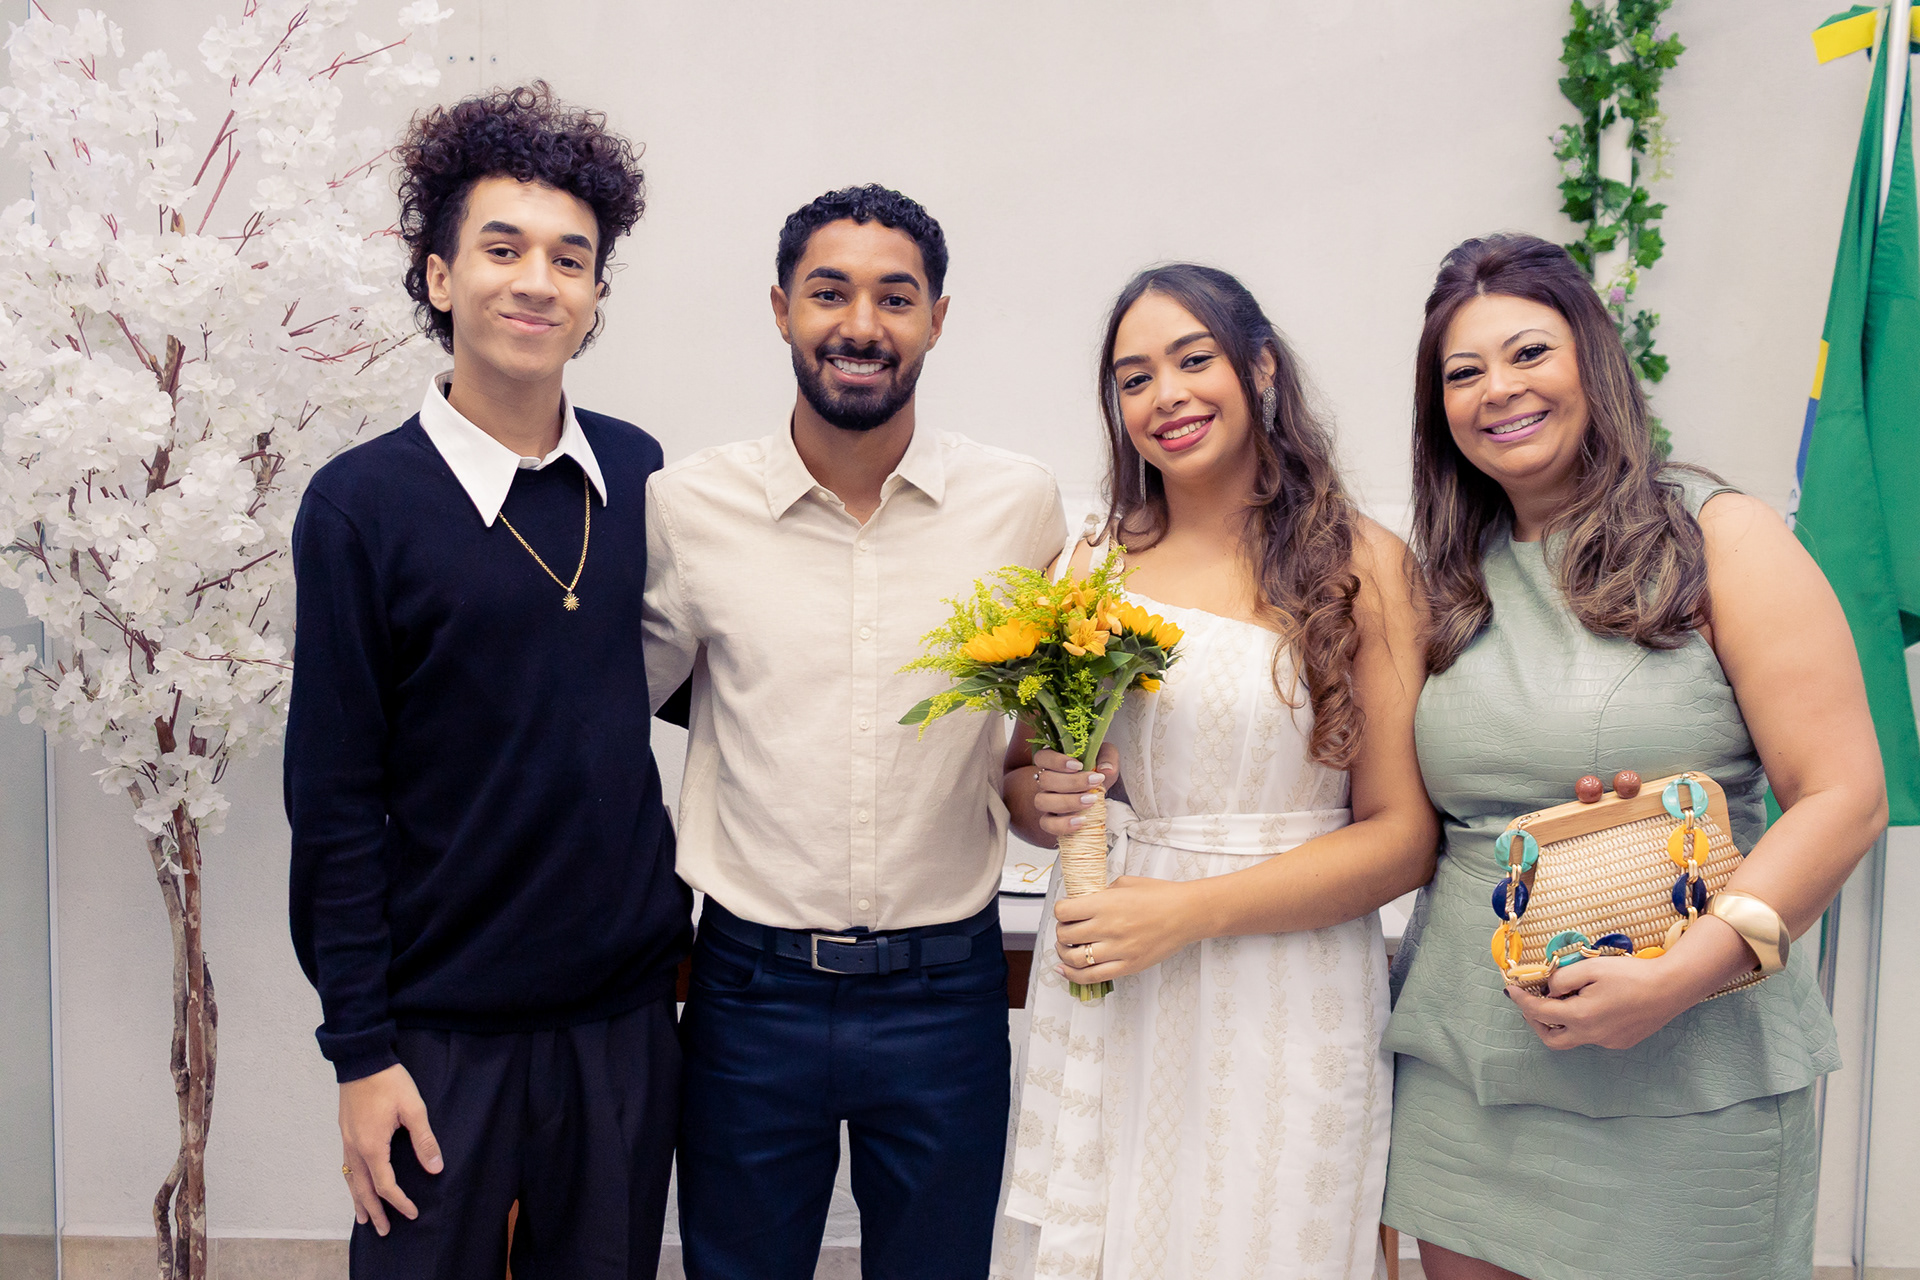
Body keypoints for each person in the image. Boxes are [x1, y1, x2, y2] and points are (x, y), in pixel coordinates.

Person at [1381, 233, 1887, 1280]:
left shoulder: (1722, 537)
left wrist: (1681, 976)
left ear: (1594, 357)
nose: (1498, 389)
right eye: (1463, 373)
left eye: (1529, 352)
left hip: (1692, 1066)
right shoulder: (1443, 580)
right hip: (1473, 1072)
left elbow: (1844, 795)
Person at [285, 84, 689, 1279]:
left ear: (596, 294)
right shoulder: (359, 505)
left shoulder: (638, 472)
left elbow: (693, 683)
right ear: (439, 275)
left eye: (571, 258)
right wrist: (361, 1052)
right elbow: (334, 803)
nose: (537, 282)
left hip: (622, 1019)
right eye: (502, 248)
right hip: (437, 1030)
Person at [642, 184, 1067, 1280]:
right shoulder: (687, 509)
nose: (862, 325)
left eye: (896, 297)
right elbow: (599, 711)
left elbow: (1030, 758)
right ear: (781, 308)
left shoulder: (1018, 507)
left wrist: (1060, 797)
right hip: (749, 989)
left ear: (937, 318)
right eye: (830, 293)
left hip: (946, 991)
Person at [995, 264, 1439, 1280]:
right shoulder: (1090, 563)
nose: (1167, 395)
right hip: (1113, 969)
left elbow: (1403, 838)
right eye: (1135, 377)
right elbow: (1024, 782)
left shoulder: (1362, 563)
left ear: (1261, 368)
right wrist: (1044, 799)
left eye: (1194, 359)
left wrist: (1189, 912)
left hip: (1286, 989)